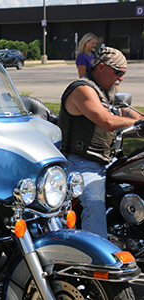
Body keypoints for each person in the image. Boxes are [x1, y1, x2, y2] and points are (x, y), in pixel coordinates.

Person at [58, 46, 144, 239]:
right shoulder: (82, 89)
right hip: (80, 161)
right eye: (118, 72)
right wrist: (139, 125)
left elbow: (128, 112)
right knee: (93, 201)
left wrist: (141, 120)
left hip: (106, 159)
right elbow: (107, 121)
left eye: (123, 73)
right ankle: (97, 258)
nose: (121, 78)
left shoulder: (106, 93)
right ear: (102, 67)